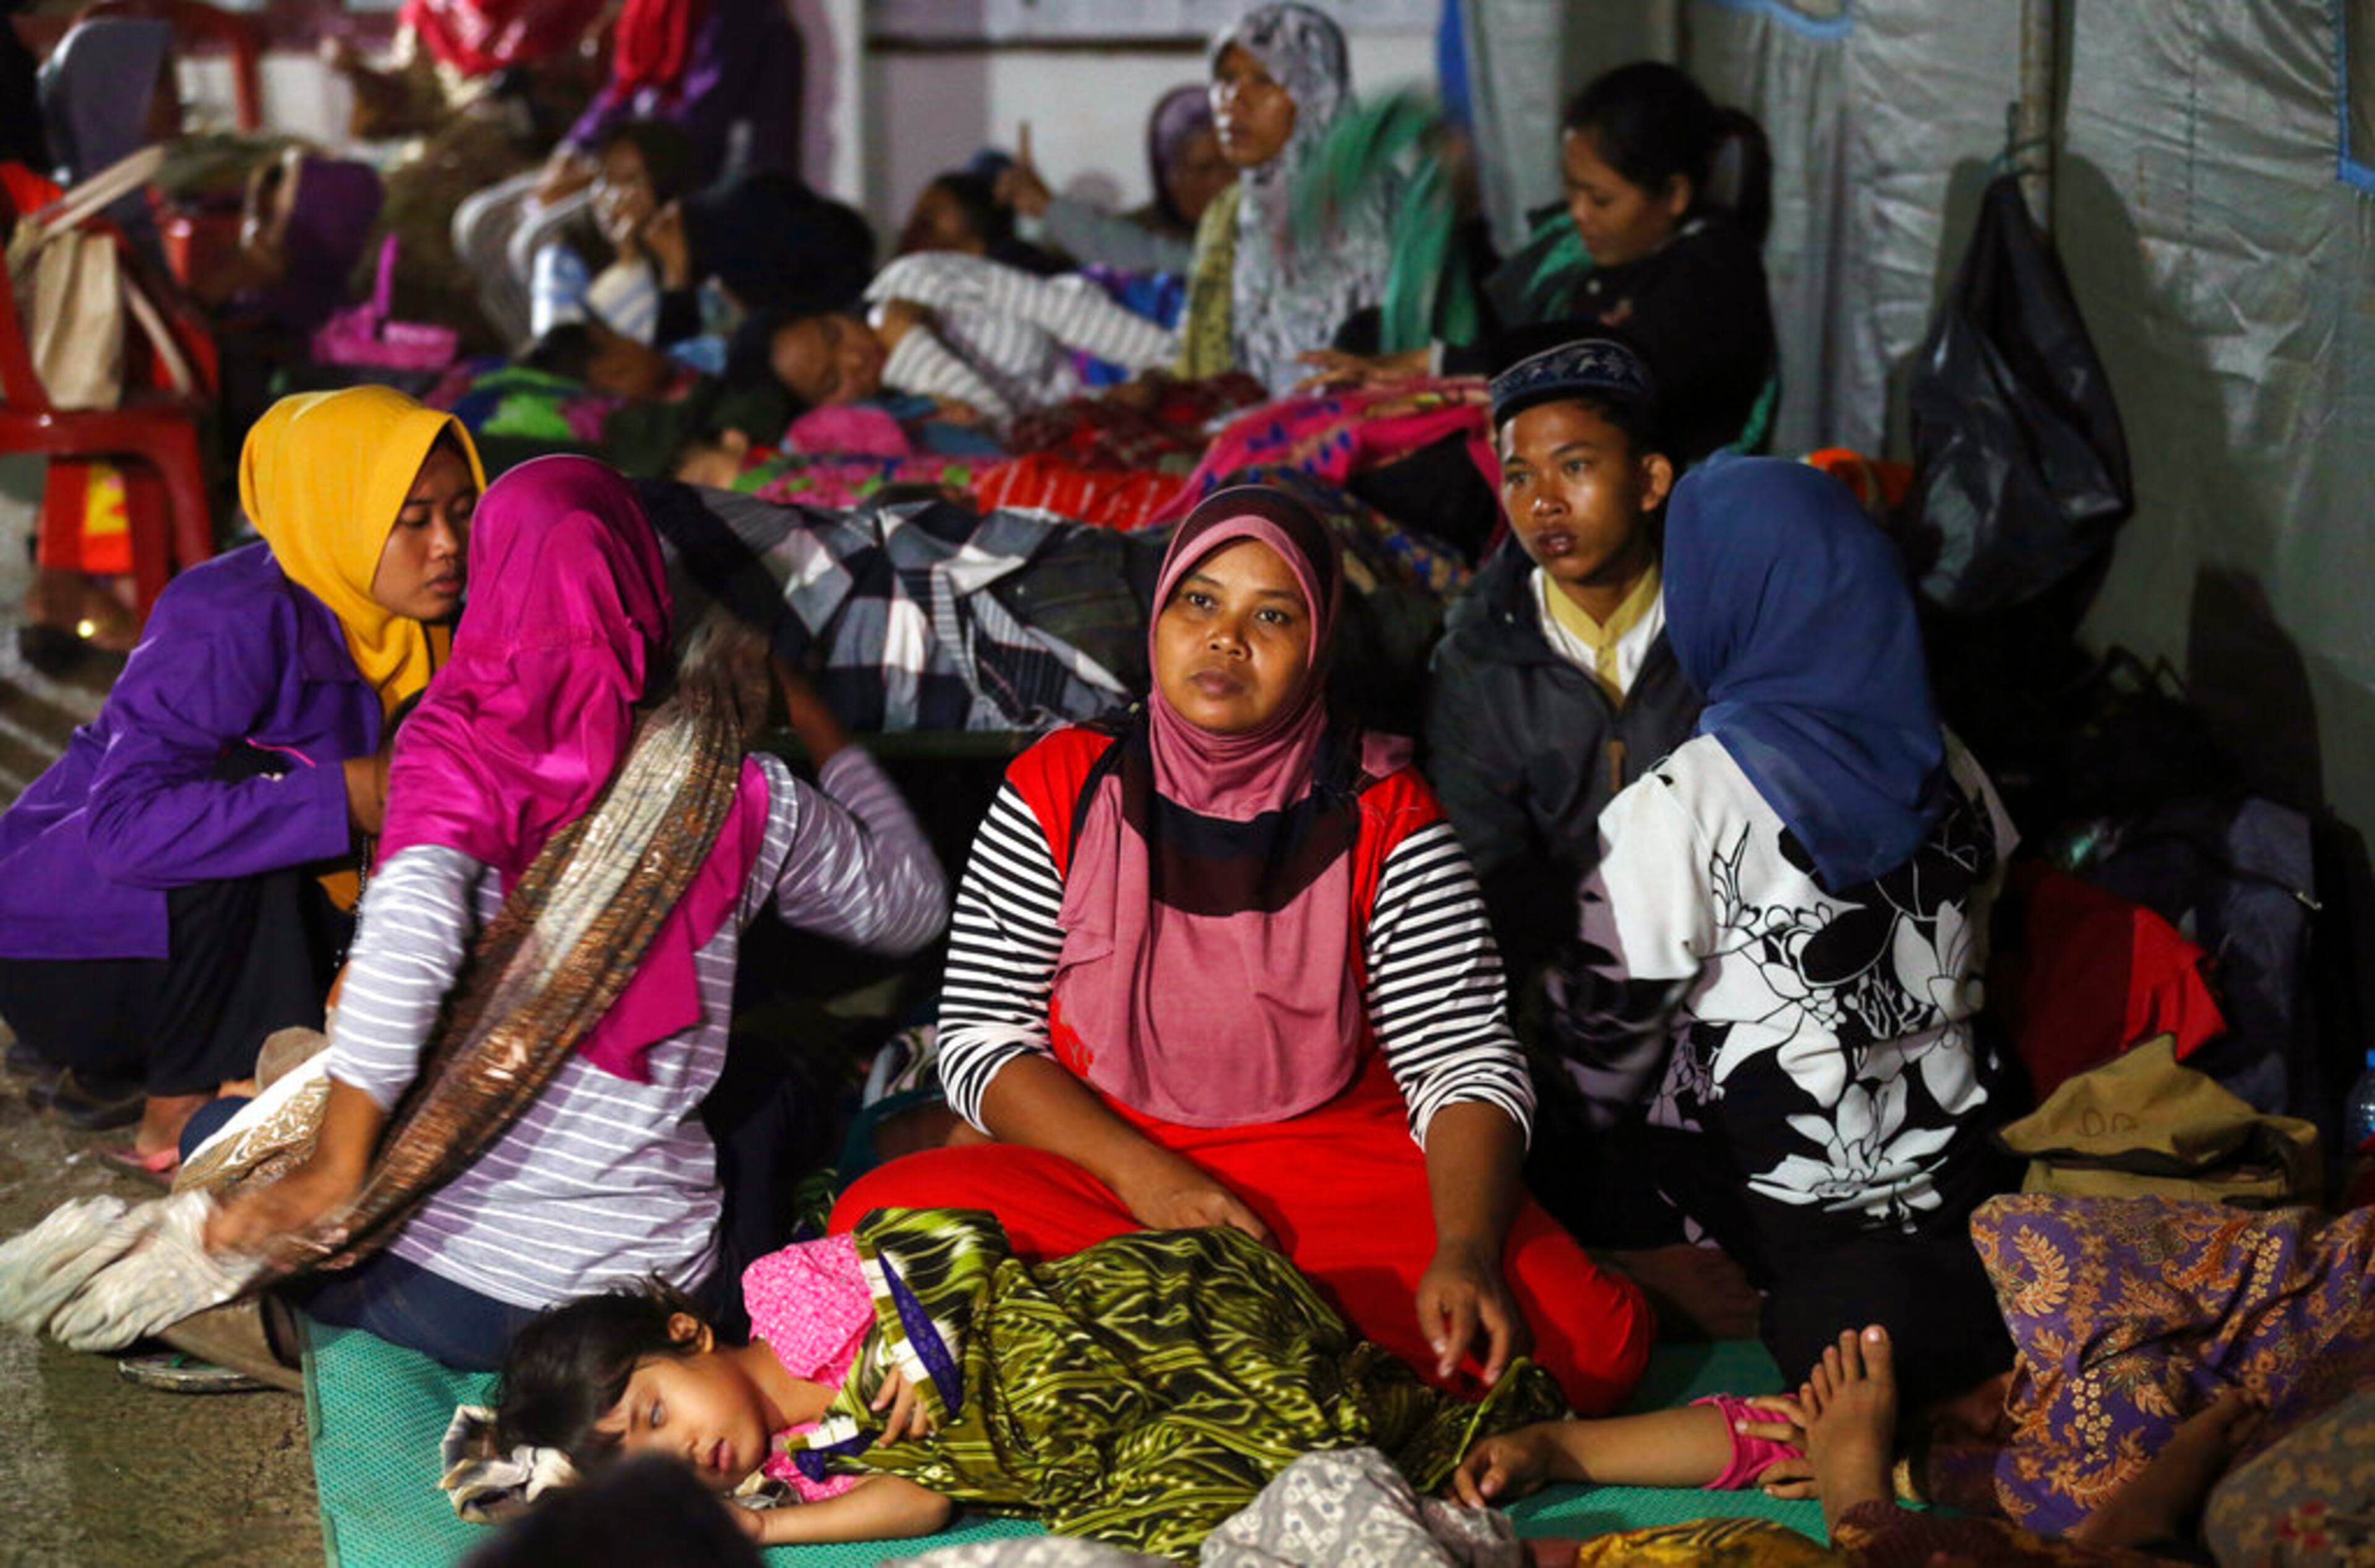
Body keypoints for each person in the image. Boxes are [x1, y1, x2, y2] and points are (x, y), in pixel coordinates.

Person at [830, 484, 1656, 1415]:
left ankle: (1156, 1344)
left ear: (1318, 645)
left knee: (1593, 1345)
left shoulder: (1389, 815)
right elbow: (983, 1038)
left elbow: (1461, 1060)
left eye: (1273, 614)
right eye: (1200, 600)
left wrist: (1465, 1249)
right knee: (874, 1218)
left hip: (1326, 1167)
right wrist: (1150, 1180)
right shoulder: (1057, 785)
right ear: (1158, 618)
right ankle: (1257, 1341)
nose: (1226, 638)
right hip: (1110, 1164)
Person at [202, 456, 947, 1371]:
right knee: (774, 1081)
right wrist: (820, 724)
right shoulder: (744, 790)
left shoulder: (449, 749)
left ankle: (295, 1327)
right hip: (655, 1294)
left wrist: (334, 1164)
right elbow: (912, 909)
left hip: (455, 1296)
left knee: (222, 1145)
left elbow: (409, 951)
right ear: (643, 586)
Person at [1547, 455, 2018, 1398]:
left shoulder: (1680, 806)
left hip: (1787, 1223)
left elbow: (1601, 1055)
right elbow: (1989, 917)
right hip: (1970, 1188)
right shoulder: (1951, 760)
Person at [0, 388, 483, 1172]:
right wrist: (348, 793)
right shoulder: (229, 614)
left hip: (237, 948)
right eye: (414, 519)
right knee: (265, 783)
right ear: (338, 512)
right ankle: (179, 1106)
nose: (449, 546)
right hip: (85, 954)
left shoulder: (447, 623)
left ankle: (246, 1066)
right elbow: (126, 831)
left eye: (464, 512)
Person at [495, 1206, 1563, 1556]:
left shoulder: (785, 1294)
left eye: (654, 1411)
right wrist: (766, 1527)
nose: (682, 1448)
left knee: (1232, 1383)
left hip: (1088, 1334)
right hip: (1080, 1456)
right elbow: (924, 1500)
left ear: (688, 1334)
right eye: (649, 1457)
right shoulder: (799, 1470)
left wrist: (916, 1346)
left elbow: (950, 1238)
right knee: (1184, 1517)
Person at [1309, 62, 1778, 465]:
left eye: (1600, 199)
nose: (1579, 213)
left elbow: (1600, 369)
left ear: (1674, 194)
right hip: (1544, 420)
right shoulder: (1585, 249)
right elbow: (1503, 310)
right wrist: (1457, 216)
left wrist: (1437, 365)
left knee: (1422, 462)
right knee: (1368, 337)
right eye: (1572, 191)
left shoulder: (1711, 273)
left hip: (1622, 473)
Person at [1425, 333, 1700, 984]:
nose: (1543, 502)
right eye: (1520, 476)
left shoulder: (1720, 627)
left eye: (1574, 466)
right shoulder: (1480, 660)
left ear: (1650, 481)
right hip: (1572, 983)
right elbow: (1485, 862)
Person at [453, 0, 803, 348]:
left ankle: (589, 368)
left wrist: (596, 176)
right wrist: (569, 154)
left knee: (541, 239)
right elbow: (621, 88)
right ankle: (541, 354)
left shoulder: (740, 15)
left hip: (679, 177)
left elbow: (697, 130)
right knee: (481, 221)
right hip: (625, 159)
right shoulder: (655, 9)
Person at [1172, 4, 1396, 395]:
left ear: (1315, 91)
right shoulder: (1230, 211)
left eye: (1263, 80)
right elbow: (1196, 351)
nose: (1233, 101)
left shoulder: (1375, 206)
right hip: (1245, 416)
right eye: (1225, 79)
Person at [736, 252, 1178, 428]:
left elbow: (1062, 312)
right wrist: (910, 350)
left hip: (1141, 328)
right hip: (1117, 421)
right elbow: (1005, 434)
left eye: (834, 333)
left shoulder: (914, 281)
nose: (854, 358)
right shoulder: (898, 429)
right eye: (833, 381)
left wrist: (1174, 364)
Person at [996, 88, 1231, 276]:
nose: (1223, 181)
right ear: (1169, 175)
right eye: (1204, 169)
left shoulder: (1245, 239)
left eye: (1234, 167)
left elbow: (1152, 259)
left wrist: (1049, 208)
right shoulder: (1141, 228)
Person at [528, 119, 702, 348]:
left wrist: (674, 272)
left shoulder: (691, 235)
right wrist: (629, 266)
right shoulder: (563, 259)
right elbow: (560, 351)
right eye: (604, 180)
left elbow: (694, 349)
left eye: (632, 182)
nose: (612, 198)